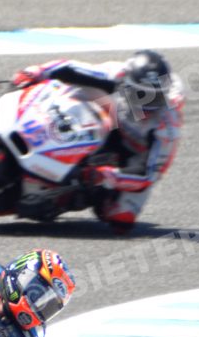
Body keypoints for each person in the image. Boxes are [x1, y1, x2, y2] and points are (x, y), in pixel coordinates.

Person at [10, 49, 185, 233]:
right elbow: (69, 68)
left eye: (156, 98)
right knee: (66, 88)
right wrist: (34, 72)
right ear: (127, 83)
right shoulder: (116, 73)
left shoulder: (167, 128)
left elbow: (147, 175)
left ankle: (63, 197)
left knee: (121, 218)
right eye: (141, 95)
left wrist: (105, 175)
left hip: (134, 154)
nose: (147, 104)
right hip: (110, 118)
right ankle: (29, 120)